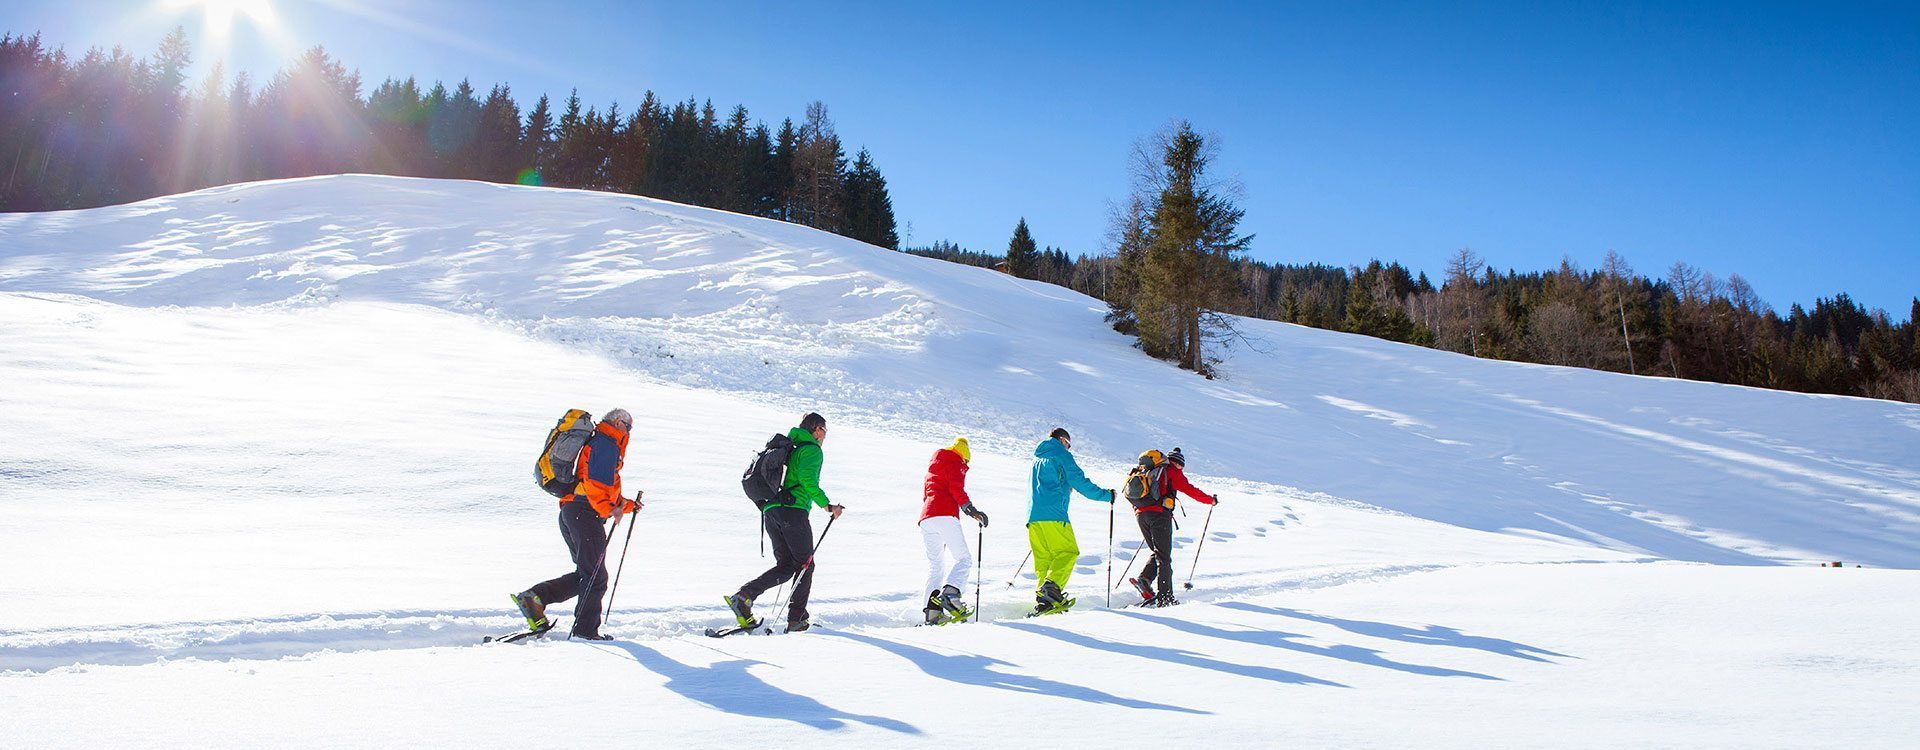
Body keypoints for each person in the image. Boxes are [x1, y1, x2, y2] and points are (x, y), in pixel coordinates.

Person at [511, 408, 642, 640]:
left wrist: (626, 505)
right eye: (629, 427)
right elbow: (596, 484)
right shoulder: (606, 442)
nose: (629, 432)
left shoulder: (602, 442)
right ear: (618, 422)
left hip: (573, 511)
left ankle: (534, 599)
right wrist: (610, 509)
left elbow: (600, 487)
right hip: (585, 514)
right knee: (596, 577)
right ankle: (585, 632)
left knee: (587, 574)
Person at [726, 412, 845, 633]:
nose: (825, 436)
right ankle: (796, 620)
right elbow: (807, 480)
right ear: (817, 429)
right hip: (793, 511)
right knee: (805, 565)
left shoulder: (791, 448)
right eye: (825, 431)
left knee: (788, 566)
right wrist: (827, 506)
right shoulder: (811, 450)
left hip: (772, 510)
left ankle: (744, 597)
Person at [1026, 427, 1113, 615]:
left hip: (1033, 516)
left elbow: (1050, 482)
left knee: (1045, 559)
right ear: (1063, 440)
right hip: (1054, 514)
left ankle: (1044, 600)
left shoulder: (1037, 458)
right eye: (1069, 445)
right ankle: (1053, 588)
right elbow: (1080, 481)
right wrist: (1106, 495)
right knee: (1068, 551)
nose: (1069, 448)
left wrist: (1064, 485)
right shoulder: (1061, 454)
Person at [1128, 447, 1217, 607]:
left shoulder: (1150, 469)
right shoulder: (1172, 471)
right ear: (1178, 463)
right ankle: (1166, 597)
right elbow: (1191, 490)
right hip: (1159, 516)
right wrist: (1210, 500)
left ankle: (1145, 580)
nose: (1181, 470)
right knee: (1164, 557)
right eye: (1181, 467)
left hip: (1141, 514)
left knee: (1158, 552)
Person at [920, 437, 989, 624]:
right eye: (966, 461)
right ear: (964, 455)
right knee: (964, 559)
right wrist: (972, 511)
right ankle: (951, 595)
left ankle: (932, 613)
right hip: (945, 515)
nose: (965, 465)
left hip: (927, 518)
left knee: (936, 566)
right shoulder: (955, 462)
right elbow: (956, 489)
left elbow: (927, 494)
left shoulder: (934, 465)